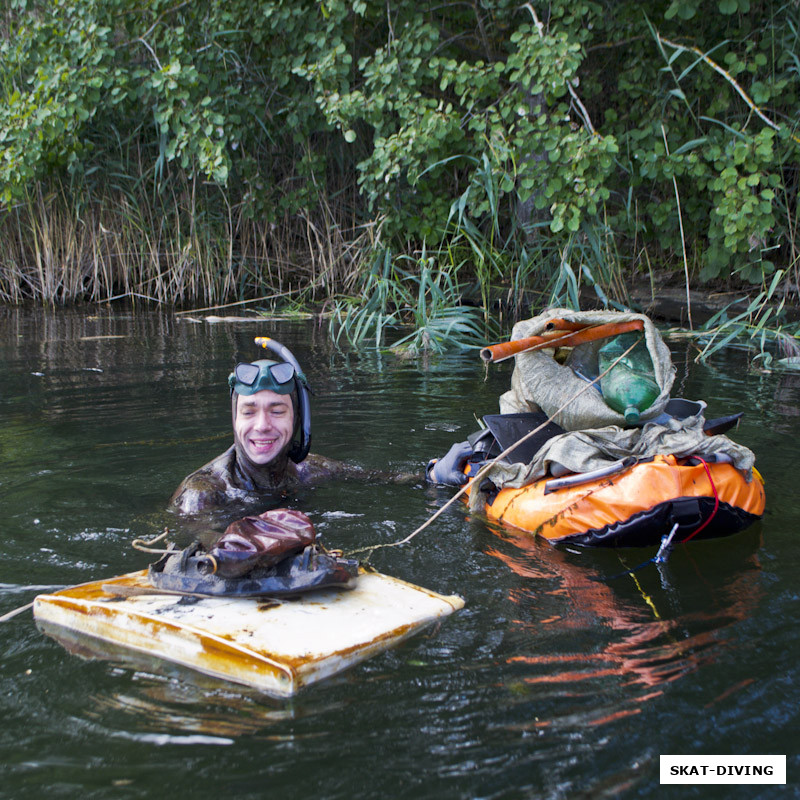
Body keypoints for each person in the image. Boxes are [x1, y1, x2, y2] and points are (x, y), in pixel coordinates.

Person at [170, 337, 413, 515]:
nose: (263, 425)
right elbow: (205, 556)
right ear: (235, 419)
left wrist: (434, 475)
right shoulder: (203, 494)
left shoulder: (309, 469)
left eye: (276, 411)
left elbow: (380, 477)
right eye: (249, 411)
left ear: (297, 419)